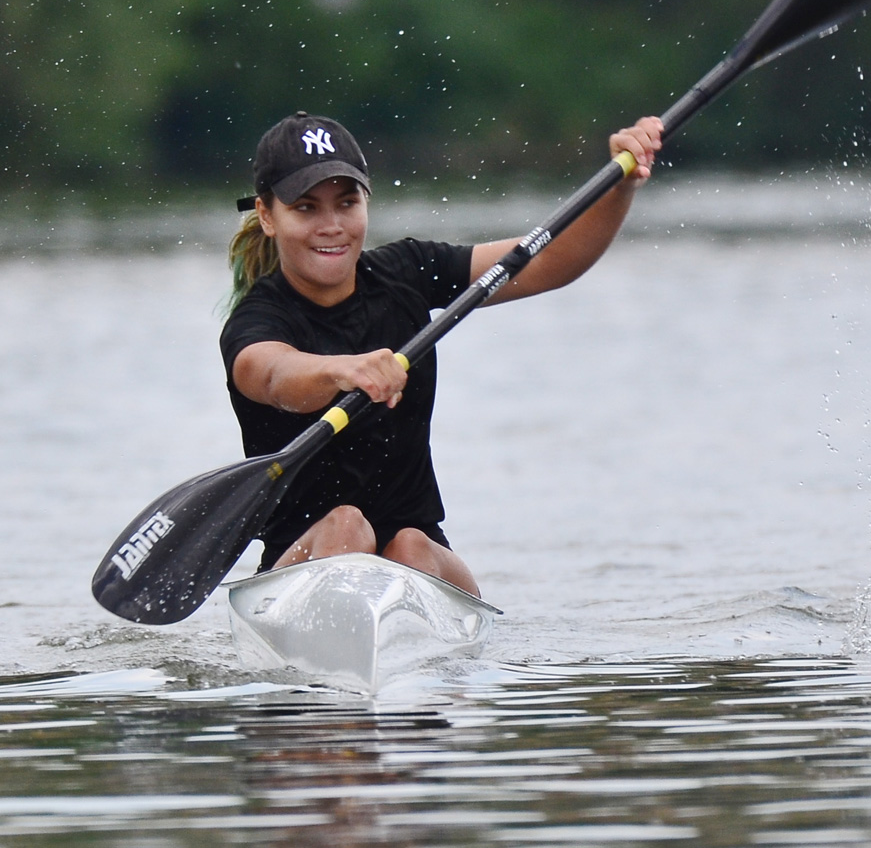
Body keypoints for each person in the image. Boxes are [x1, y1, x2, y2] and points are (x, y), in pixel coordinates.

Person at [219, 111, 662, 597]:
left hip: (419, 554)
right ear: (267, 216)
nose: (332, 226)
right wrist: (343, 370)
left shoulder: (408, 272)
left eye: (347, 203)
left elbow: (552, 261)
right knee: (345, 525)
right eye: (306, 208)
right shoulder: (258, 320)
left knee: (409, 544)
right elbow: (272, 375)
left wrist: (622, 186)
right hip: (301, 559)